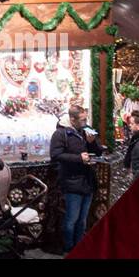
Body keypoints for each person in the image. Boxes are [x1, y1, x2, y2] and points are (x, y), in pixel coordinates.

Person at [50, 105, 107, 252]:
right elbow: (56, 155)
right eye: (82, 119)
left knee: (82, 220)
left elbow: (99, 152)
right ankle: (69, 248)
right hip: (71, 181)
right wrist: (78, 158)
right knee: (71, 220)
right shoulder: (60, 134)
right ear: (72, 119)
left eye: (86, 118)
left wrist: (92, 142)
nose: (85, 122)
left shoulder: (87, 130)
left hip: (87, 180)